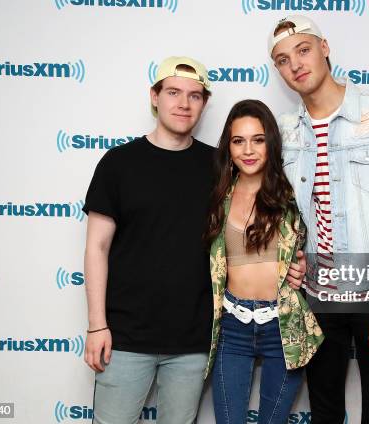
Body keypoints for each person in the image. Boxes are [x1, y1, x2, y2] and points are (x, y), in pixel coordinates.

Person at [82, 57, 307, 424]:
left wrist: (295, 263)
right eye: (173, 92)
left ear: (204, 103)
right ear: (154, 97)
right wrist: (96, 325)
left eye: (194, 95)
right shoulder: (118, 163)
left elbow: (258, 225)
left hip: (193, 342)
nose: (183, 104)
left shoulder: (219, 168)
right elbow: (97, 248)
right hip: (124, 338)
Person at [268, 15, 369, 424]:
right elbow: (278, 213)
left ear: (324, 48)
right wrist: (290, 264)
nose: (296, 65)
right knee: (324, 414)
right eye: (283, 60)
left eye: (303, 50)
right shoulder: (284, 132)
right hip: (316, 301)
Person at [204, 99, 324, 424]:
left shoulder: (292, 193)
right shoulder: (218, 195)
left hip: (282, 326)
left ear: (270, 141)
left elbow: (322, 241)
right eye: (238, 141)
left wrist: (305, 267)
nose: (248, 150)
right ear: (228, 147)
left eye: (258, 139)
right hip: (232, 326)